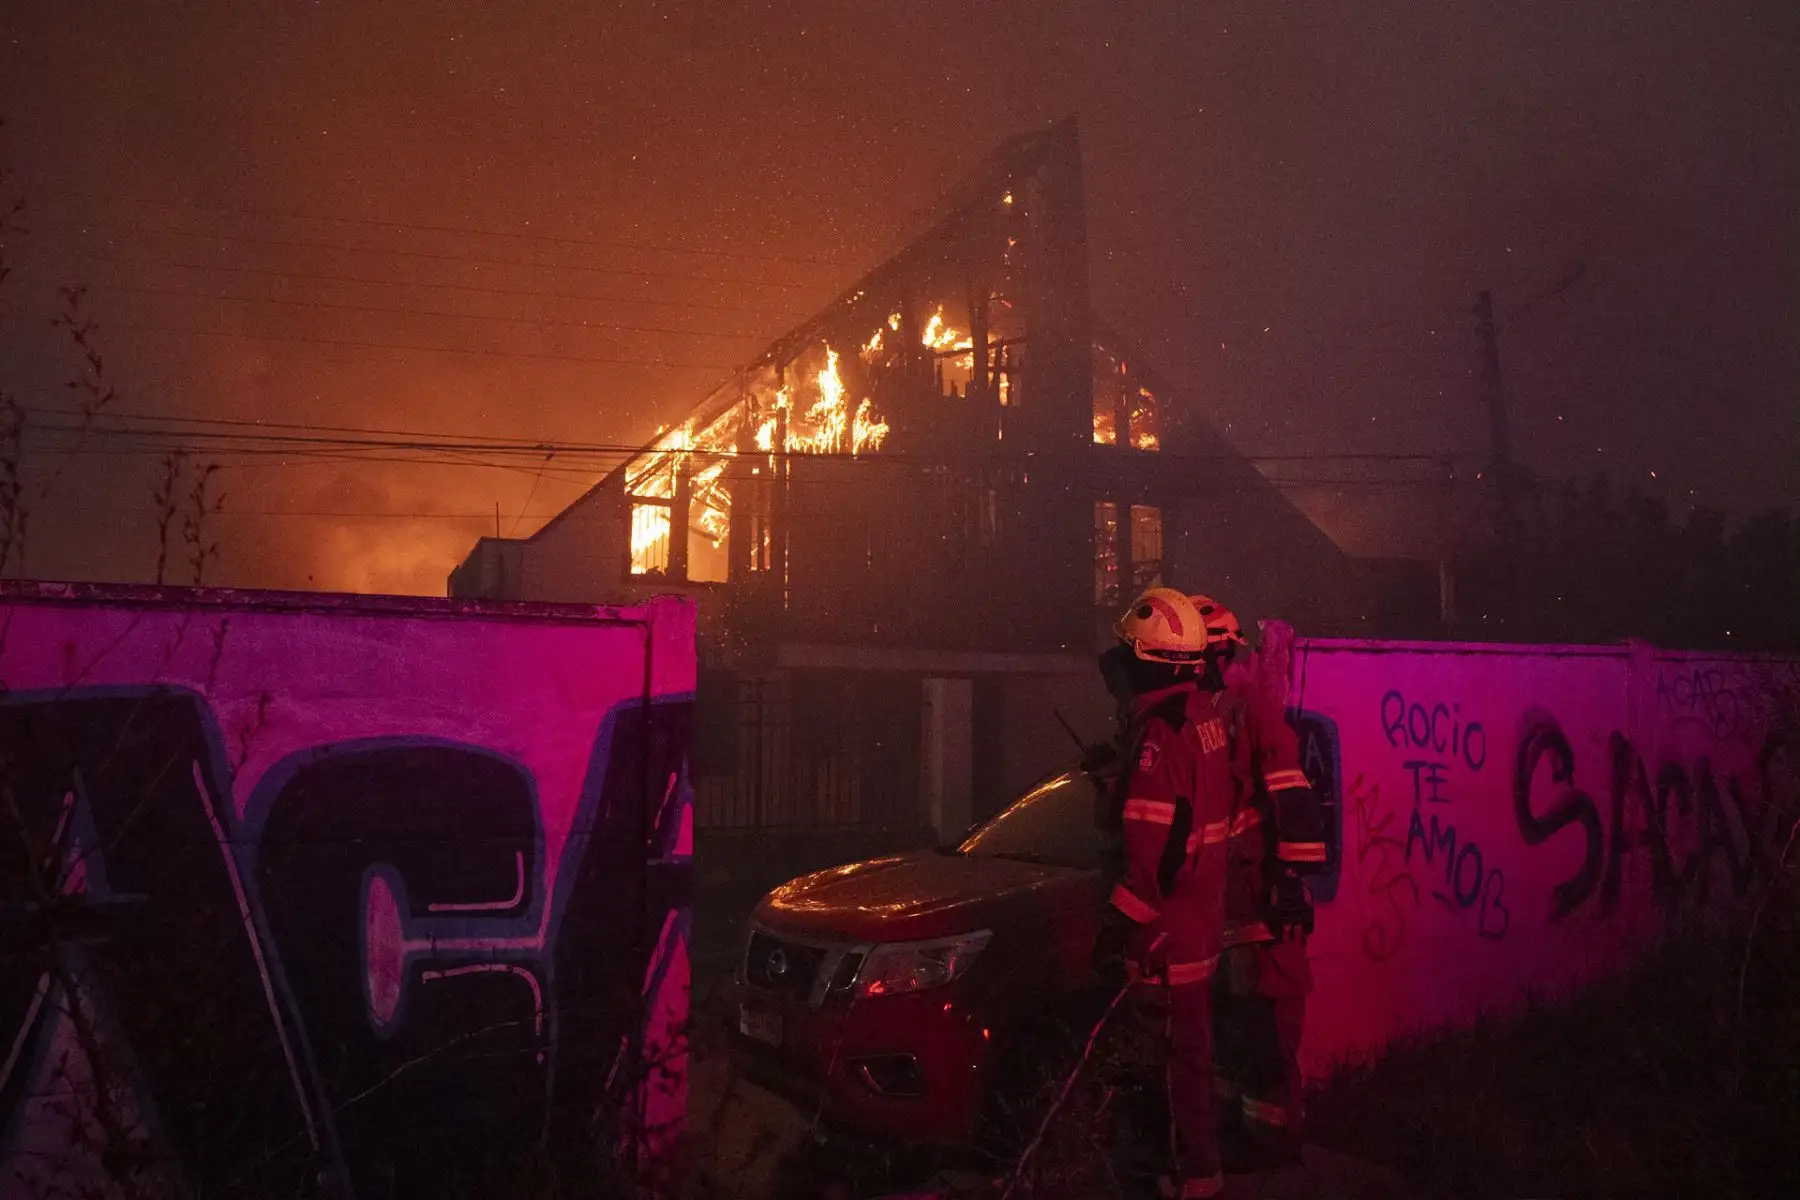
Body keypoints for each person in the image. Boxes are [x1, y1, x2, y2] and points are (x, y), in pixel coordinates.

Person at [1089, 585, 1243, 1200]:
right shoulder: (1203, 717)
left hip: (1162, 939)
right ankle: (1197, 1174)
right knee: (1191, 1063)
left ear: (1147, 661)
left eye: (1129, 652)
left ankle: (1180, 1181)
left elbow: (1148, 853)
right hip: (1197, 927)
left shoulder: (1159, 740)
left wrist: (1118, 930)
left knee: (1168, 1073)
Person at [1200, 601, 1326, 1169]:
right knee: (1233, 1051)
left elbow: (1292, 796)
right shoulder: (1206, 713)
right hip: (1225, 918)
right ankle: (1241, 1153)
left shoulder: (1249, 708)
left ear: (1218, 652)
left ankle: (1275, 1162)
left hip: (1261, 915)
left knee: (1268, 1053)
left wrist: (1292, 882)